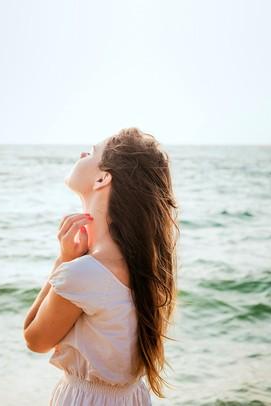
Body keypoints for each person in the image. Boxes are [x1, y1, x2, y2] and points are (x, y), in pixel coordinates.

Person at [23, 127, 179, 405]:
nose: (82, 153)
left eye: (92, 152)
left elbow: (34, 339)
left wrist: (64, 260)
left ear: (102, 178)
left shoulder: (84, 272)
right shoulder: (144, 264)